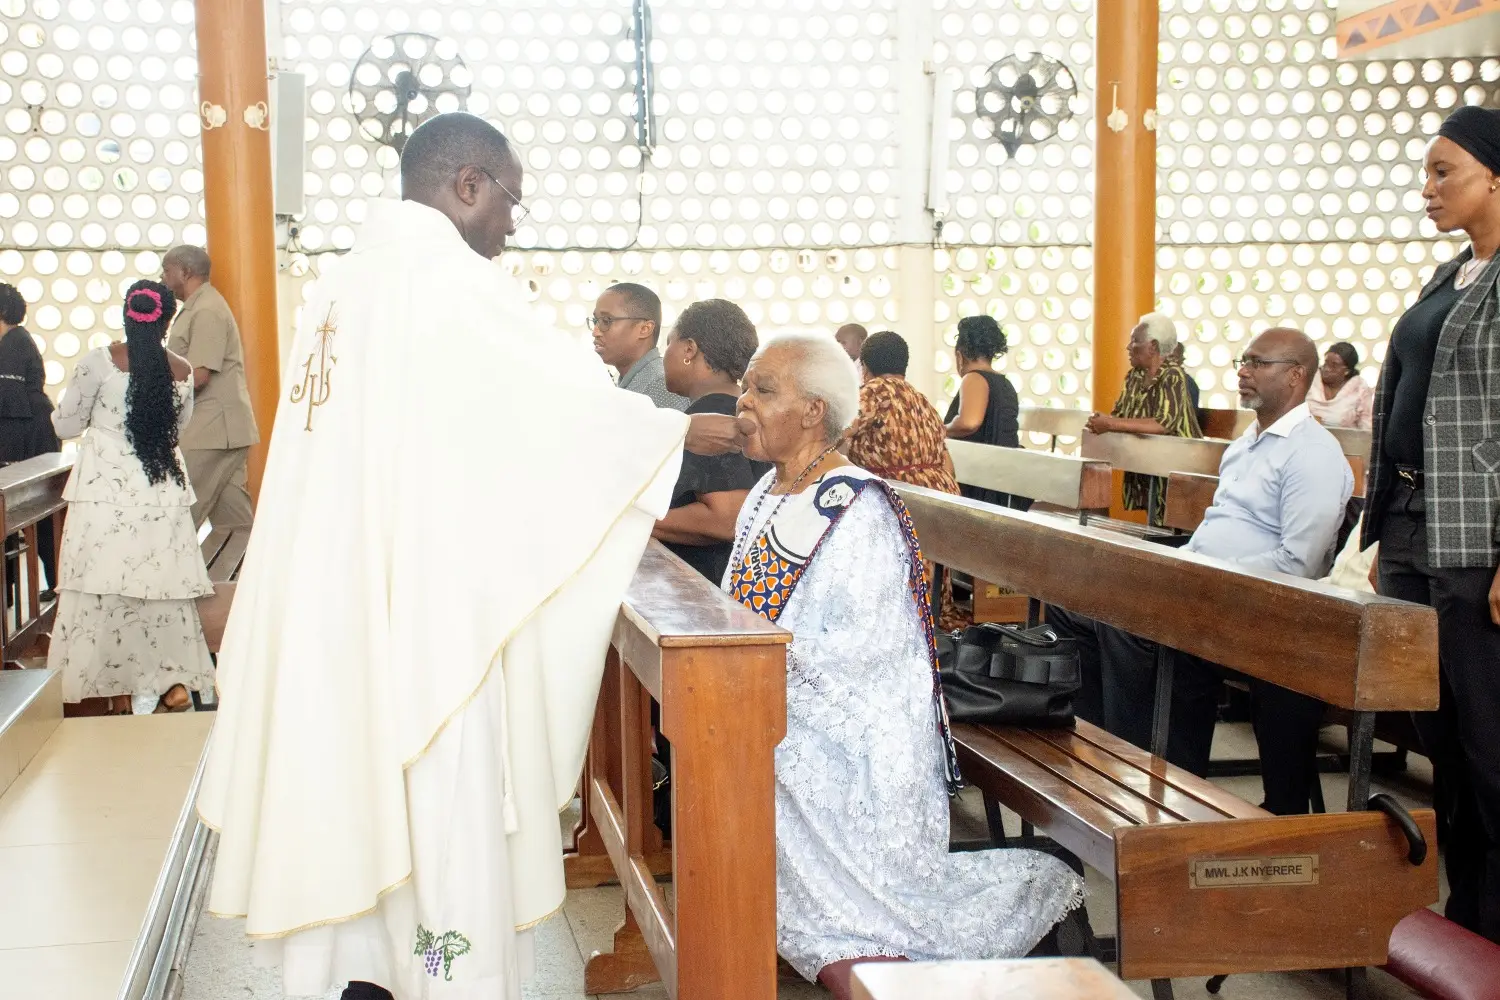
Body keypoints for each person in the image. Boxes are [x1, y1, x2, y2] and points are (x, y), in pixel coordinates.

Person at [196, 113, 691, 1000]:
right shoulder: (451, 285)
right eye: (510, 201)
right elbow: (566, 410)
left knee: (347, 801)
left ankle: (360, 975)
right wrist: (672, 432)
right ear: (468, 184)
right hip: (425, 623)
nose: (511, 224)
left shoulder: (339, 287)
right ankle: (436, 974)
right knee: (436, 823)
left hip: (333, 617)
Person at [726, 332, 1082, 1000]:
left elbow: (866, 655)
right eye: (746, 386)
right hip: (781, 701)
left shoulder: (857, 509)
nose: (742, 402)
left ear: (813, 412)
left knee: (840, 901)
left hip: (853, 735)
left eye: (762, 389)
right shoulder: (768, 495)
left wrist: (755, 681)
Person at [1049, 328, 1352, 815]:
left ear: (1296, 375)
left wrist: (1200, 578)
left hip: (1260, 607)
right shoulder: (1247, 445)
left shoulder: (1311, 453)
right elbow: (1218, 530)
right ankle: (1106, 760)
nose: (1243, 370)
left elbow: (1299, 562)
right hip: (1203, 587)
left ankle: (1144, 779)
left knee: (1128, 629)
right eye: (1243, 359)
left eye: (1258, 362)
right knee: (1074, 610)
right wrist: (1182, 566)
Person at [1363, 104, 1500, 943]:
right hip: (1416, 524)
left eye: (1443, 170)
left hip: (1479, 538)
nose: (1428, 189)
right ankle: (1467, 917)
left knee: (1489, 743)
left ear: (1494, 174)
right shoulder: (1449, 276)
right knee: (1439, 740)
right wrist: (1382, 531)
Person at [46, 280, 213, 716]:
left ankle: (111, 687)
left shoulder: (100, 363)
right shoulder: (182, 370)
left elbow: (65, 427)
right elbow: (182, 424)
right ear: (168, 319)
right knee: (159, 589)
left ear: (127, 313)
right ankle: (172, 683)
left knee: (103, 589)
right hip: (160, 491)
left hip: (104, 489)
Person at [654, 298, 768, 583]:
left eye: (669, 343)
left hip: (710, 583)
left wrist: (634, 520)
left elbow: (727, 517)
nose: (664, 355)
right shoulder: (734, 409)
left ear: (689, 350)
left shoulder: (714, 413)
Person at [162, 244, 260, 529]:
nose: (163, 278)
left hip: (213, 429)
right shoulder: (197, 307)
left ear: (186, 271)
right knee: (234, 523)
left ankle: (166, 570)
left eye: (167, 271)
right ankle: (245, 570)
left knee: (179, 509)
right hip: (220, 429)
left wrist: (156, 394)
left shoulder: (206, 310)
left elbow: (200, 375)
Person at [1084, 312, 1202, 526]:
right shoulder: (1134, 376)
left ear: (1153, 347)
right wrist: (1102, 421)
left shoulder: (1173, 376)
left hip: (1177, 473)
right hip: (1148, 465)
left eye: (1135, 341)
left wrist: (1109, 423)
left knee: (1168, 535)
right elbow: (1120, 415)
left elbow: (1164, 423)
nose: (1129, 347)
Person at [0, 282, 61, 595]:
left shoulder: (13, 343)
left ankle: (56, 582)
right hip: (25, 430)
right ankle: (11, 587)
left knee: (35, 515)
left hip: (27, 434)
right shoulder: (15, 340)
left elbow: (7, 401)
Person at [846, 331, 962, 494]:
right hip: (942, 496)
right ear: (904, 366)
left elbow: (837, 431)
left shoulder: (874, 392)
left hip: (898, 499)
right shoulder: (923, 401)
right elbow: (948, 466)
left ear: (864, 367)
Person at [943, 315, 1026, 509]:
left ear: (959, 354)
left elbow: (969, 422)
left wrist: (939, 429)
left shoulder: (974, 379)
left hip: (982, 485)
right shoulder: (1005, 383)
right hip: (1004, 480)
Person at [590, 282, 688, 411]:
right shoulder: (633, 381)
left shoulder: (662, 386)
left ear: (644, 329)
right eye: (595, 321)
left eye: (606, 321)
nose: (595, 332)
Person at [1307, 341, 1374, 431]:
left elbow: (1366, 427)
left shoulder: (1359, 387)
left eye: (1334, 365)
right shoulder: (1310, 379)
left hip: (1345, 442)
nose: (1326, 369)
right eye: (1326, 363)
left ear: (1347, 370)